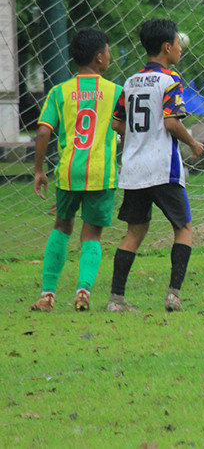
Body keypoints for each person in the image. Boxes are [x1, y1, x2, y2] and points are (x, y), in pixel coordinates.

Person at [106, 19, 204, 312]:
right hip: (163, 167)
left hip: (134, 169)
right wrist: (192, 143)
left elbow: (116, 122)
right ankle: (173, 295)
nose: (179, 49)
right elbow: (172, 122)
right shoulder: (170, 79)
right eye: (177, 44)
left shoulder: (131, 81)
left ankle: (116, 299)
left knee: (134, 232)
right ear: (166, 47)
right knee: (184, 228)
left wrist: (136, 137)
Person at [29, 28, 123, 312]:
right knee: (91, 234)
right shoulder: (116, 92)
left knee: (61, 226)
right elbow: (124, 130)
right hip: (101, 173)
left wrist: (39, 170)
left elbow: (44, 132)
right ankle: (83, 291)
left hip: (69, 171)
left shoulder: (60, 92)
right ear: (99, 57)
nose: (109, 55)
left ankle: (47, 294)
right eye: (107, 50)